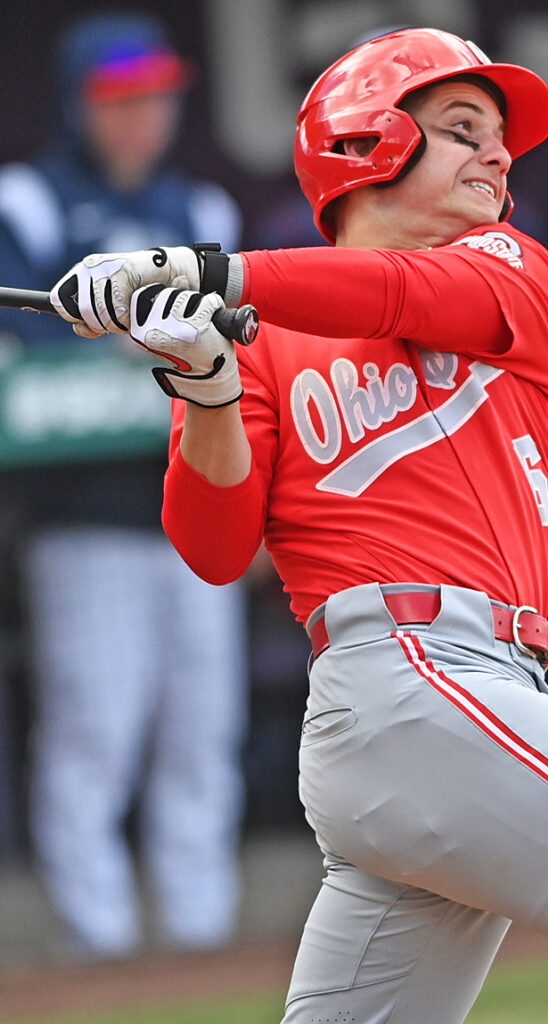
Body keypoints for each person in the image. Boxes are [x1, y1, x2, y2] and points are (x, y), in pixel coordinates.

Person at [50, 26, 548, 1022]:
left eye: (495, 136)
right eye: (461, 130)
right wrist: (204, 388)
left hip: (468, 694)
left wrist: (209, 271)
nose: (497, 154)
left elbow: (397, 289)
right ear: (367, 145)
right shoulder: (263, 338)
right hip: (405, 682)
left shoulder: (509, 264)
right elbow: (212, 545)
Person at [0, 12, 248, 957]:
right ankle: (94, 947)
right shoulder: (30, 199)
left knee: (201, 730)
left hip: (195, 503)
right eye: (120, 98)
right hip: (86, 517)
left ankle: (201, 939)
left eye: (155, 95)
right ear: (80, 103)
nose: (143, 115)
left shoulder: (203, 212)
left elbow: (239, 347)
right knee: (95, 731)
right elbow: (26, 351)